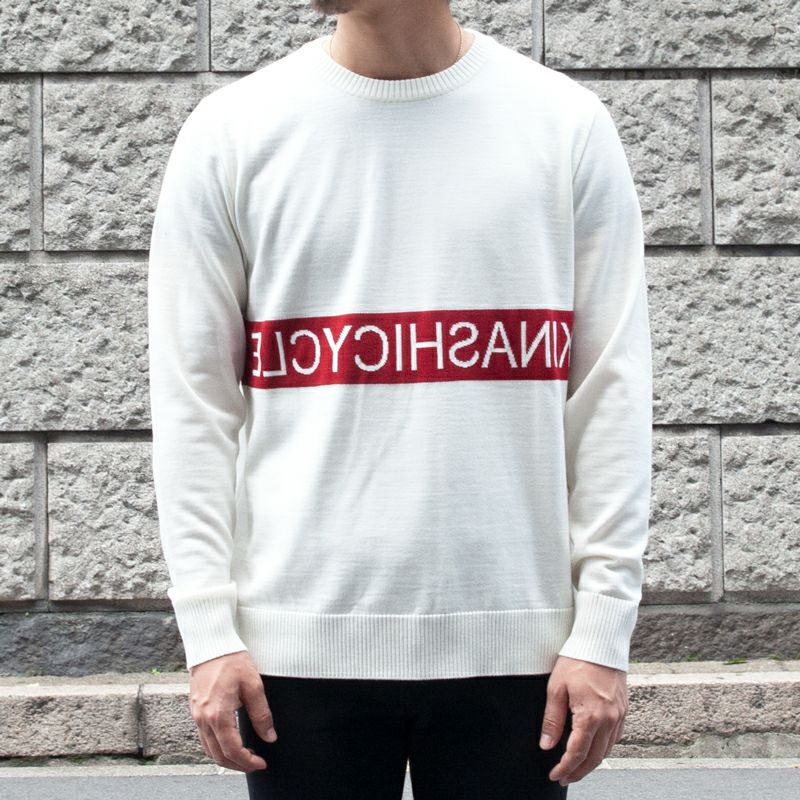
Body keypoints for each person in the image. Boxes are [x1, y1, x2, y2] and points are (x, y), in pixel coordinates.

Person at [147, 0, 653, 797]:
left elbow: (609, 396)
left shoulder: (564, 126)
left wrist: (603, 629)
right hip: (297, 652)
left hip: (519, 646)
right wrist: (209, 631)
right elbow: (194, 406)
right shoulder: (234, 132)